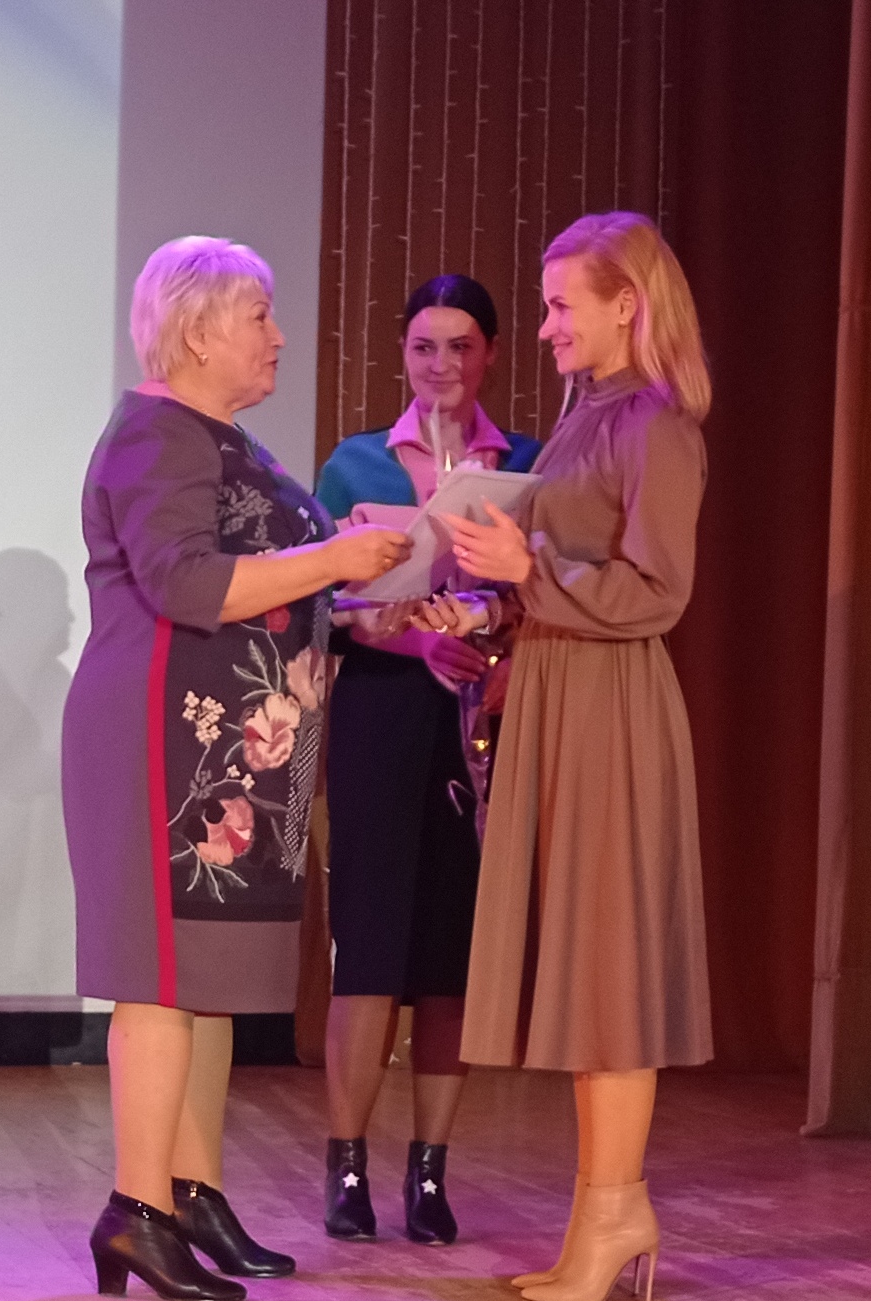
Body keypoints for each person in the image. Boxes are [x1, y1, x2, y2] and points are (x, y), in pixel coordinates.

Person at [61, 236, 409, 1301]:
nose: (278, 336)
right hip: (161, 734)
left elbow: (271, 579)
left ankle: (191, 1189)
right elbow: (185, 581)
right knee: (163, 979)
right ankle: (136, 1209)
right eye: (259, 315)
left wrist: (361, 594)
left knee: (206, 984)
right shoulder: (155, 434)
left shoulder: (223, 439)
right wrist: (333, 558)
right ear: (199, 329)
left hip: (227, 750)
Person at [421, 213, 712, 1301]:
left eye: (558, 306)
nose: (542, 327)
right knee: (585, 967)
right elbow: (563, 561)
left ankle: (615, 1209)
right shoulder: (588, 414)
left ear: (624, 303)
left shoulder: (655, 422)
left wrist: (526, 567)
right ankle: (601, 1213)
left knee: (608, 968)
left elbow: (658, 591)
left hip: (610, 704)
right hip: (557, 686)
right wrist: (487, 596)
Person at [315, 275, 541, 1245]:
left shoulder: (523, 464)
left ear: (489, 354)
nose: (440, 365)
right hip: (379, 711)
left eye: (459, 346)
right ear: (401, 354)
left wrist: (489, 640)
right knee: (368, 948)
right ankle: (346, 1165)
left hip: (478, 717)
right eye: (422, 346)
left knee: (450, 955)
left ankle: (429, 1172)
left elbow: (540, 594)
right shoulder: (354, 462)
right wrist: (412, 637)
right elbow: (323, 601)